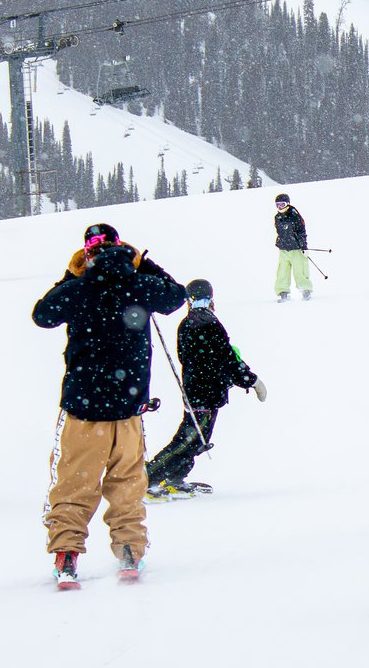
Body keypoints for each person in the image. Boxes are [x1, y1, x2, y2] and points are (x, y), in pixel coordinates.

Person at [32, 224, 187, 590]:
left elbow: (42, 315)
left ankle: (67, 554)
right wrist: (144, 265)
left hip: (84, 410)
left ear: (88, 254)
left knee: (73, 484)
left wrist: (71, 274)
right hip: (128, 409)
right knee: (128, 483)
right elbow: (176, 296)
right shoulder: (139, 285)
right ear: (122, 249)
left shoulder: (78, 288)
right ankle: (129, 551)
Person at [147, 279, 267, 499]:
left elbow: (193, 356)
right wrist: (251, 380)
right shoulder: (206, 322)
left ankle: (174, 476)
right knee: (189, 440)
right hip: (204, 392)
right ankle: (148, 478)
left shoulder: (190, 321)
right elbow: (227, 358)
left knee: (195, 439)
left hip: (199, 389)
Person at [273, 193, 313, 302]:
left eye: (282, 204)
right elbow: (279, 231)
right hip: (284, 248)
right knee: (282, 271)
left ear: (288, 204)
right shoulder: (277, 217)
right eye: (277, 205)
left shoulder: (294, 215)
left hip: (296, 248)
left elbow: (301, 231)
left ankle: (306, 290)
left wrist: (304, 246)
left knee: (300, 270)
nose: (280, 207)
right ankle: (283, 292)